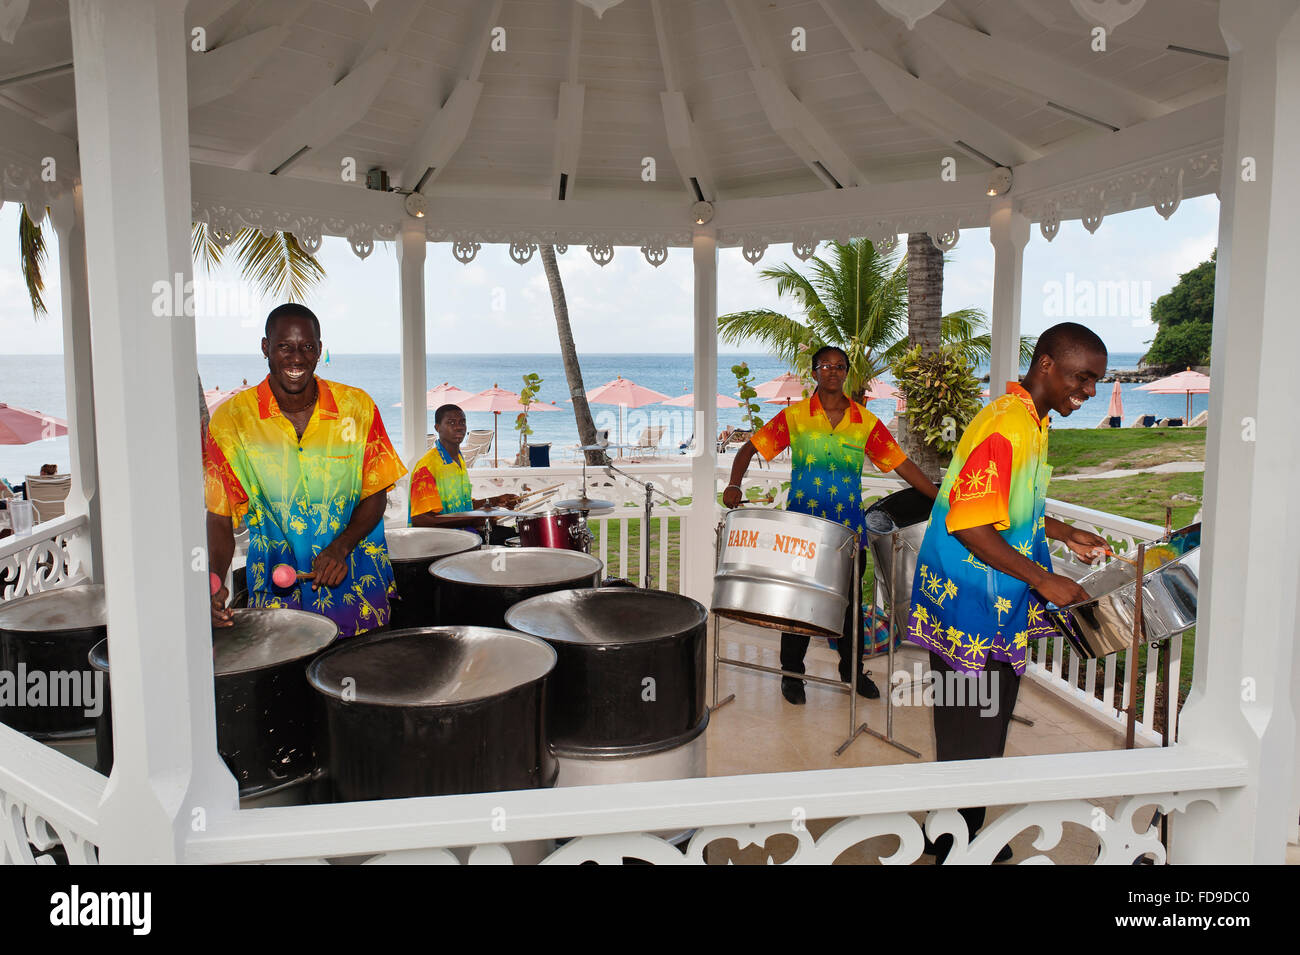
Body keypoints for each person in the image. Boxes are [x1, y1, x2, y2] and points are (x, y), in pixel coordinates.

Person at [905, 322, 1110, 863]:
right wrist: (1044, 577)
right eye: (1083, 377)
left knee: (982, 729)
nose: (1089, 392)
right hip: (971, 603)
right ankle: (957, 845)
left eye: (1096, 382)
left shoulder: (1031, 420)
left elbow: (1014, 503)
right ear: (1046, 364)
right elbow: (968, 525)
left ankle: (955, 833)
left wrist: (1063, 533)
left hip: (991, 602)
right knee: (971, 732)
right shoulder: (1008, 425)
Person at [723, 346, 940, 704]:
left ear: (847, 373)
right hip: (802, 532)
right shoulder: (795, 417)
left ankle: (851, 671)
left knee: (851, 607)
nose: (833, 372)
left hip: (848, 534)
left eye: (840, 367)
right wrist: (734, 484)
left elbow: (902, 464)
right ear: (814, 372)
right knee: (797, 606)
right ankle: (793, 675)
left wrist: (939, 499)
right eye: (826, 366)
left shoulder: (865, 422)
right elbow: (749, 449)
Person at [204, 303, 406, 637]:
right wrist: (214, 581)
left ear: (319, 350)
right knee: (286, 688)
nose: (296, 358)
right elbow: (219, 513)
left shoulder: (357, 408)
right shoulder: (232, 421)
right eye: (284, 346)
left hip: (357, 589)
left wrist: (340, 547)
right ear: (266, 347)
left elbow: (376, 493)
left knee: (364, 682)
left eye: (307, 347)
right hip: (279, 595)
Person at [409, 404, 518, 534]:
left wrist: (496, 501)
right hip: (441, 543)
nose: (459, 427)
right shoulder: (427, 467)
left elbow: (464, 507)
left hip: (464, 534)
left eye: (462, 422)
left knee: (516, 535)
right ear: (437, 428)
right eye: (451, 422)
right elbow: (420, 520)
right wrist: (472, 520)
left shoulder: (459, 459)